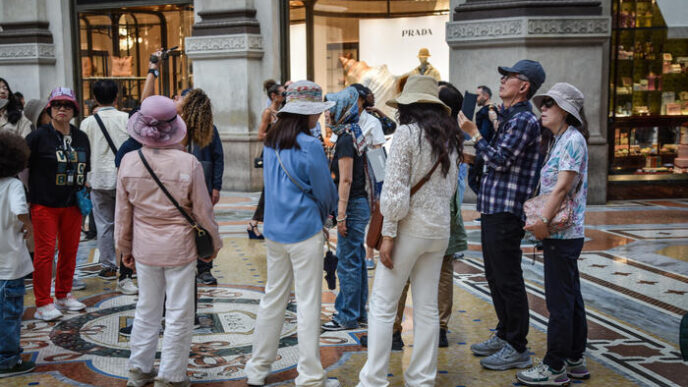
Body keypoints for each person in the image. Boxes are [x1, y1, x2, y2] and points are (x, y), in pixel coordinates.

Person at [357, 75, 461, 386]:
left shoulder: (407, 133)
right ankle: (422, 378)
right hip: (438, 231)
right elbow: (452, 187)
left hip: (408, 230)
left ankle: (373, 379)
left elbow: (395, 190)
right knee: (427, 307)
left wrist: (388, 234)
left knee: (383, 305)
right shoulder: (451, 138)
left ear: (408, 105)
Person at [116, 95, 222, 387]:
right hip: (180, 248)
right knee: (178, 313)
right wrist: (213, 244)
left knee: (147, 309)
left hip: (145, 248)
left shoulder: (128, 161)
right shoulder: (188, 163)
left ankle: (139, 369)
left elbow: (122, 213)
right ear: (175, 127)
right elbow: (203, 212)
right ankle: (171, 376)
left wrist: (125, 249)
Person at [245, 80, 339, 387]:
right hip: (305, 230)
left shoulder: (272, 141)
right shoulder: (310, 145)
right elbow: (326, 192)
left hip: (275, 231)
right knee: (309, 303)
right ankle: (310, 376)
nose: (318, 118)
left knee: (273, 299)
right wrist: (327, 214)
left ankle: (257, 370)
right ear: (307, 114)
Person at [458, 59, 545, 370]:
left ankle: (518, 346)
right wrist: (469, 156)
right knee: (495, 275)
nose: (502, 81)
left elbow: (501, 160)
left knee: (507, 278)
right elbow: (493, 160)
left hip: (507, 211)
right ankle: (505, 332)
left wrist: (473, 133)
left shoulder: (523, 121)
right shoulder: (510, 118)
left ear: (523, 86)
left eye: (509, 77)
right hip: (494, 207)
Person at [517, 82, 590, 386]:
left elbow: (562, 187)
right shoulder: (560, 140)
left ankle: (554, 367)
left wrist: (543, 221)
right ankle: (574, 359)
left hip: (562, 232)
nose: (543, 109)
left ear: (566, 111)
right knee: (571, 298)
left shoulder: (572, 141)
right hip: (563, 233)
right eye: (543, 104)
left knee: (559, 302)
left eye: (549, 105)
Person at [26, 87, 90, 321]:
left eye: (67, 105)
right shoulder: (38, 136)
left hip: (72, 203)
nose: (62, 109)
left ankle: (63, 293)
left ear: (74, 110)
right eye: (57, 105)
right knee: (44, 253)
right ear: (49, 109)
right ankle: (43, 301)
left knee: (70, 250)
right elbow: (23, 167)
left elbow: (86, 169)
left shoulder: (81, 137)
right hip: (44, 204)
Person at [321, 87, 371, 332]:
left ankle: (346, 316)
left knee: (348, 263)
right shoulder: (353, 133)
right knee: (356, 260)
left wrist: (341, 214)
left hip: (351, 205)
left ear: (343, 110)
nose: (328, 114)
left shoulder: (344, 139)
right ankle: (359, 312)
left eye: (332, 109)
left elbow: (346, 180)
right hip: (359, 204)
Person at [80, 80, 134, 292]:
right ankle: (126, 265)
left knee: (103, 224)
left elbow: (84, 151)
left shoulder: (87, 123)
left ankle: (108, 265)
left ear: (95, 98)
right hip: (123, 176)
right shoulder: (126, 118)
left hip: (97, 179)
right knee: (126, 223)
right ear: (116, 97)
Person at [177, 87, 225, 285]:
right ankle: (189, 263)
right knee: (191, 224)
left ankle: (204, 267)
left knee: (202, 224)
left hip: (202, 185)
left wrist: (216, 186)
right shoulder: (177, 128)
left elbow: (218, 157)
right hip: (182, 186)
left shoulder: (209, 129)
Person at [0, 131, 35, 378]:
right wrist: (28, 226)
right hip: (10, 264)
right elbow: (19, 209)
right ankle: (8, 361)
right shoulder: (13, 185)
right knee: (10, 315)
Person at [248, 83, 285, 240]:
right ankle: (254, 223)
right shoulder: (268, 113)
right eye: (283, 94)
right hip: (271, 153)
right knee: (269, 188)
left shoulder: (283, 111)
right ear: (274, 96)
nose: (285, 96)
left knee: (275, 188)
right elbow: (260, 134)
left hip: (281, 152)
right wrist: (276, 135)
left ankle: (260, 222)